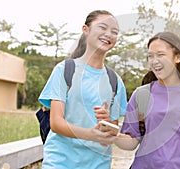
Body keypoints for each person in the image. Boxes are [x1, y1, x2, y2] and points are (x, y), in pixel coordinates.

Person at [115, 31, 180, 169]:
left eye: (160, 55)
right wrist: (112, 135)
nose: (154, 61)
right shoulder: (141, 95)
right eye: (150, 56)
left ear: (177, 57)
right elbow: (132, 141)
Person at [38, 10, 127, 169]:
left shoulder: (116, 81)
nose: (108, 34)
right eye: (103, 27)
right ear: (85, 29)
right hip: (60, 162)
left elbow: (110, 133)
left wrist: (106, 121)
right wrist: (89, 135)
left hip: (98, 164)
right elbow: (56, 123)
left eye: (114, 32)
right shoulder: (65, 69)